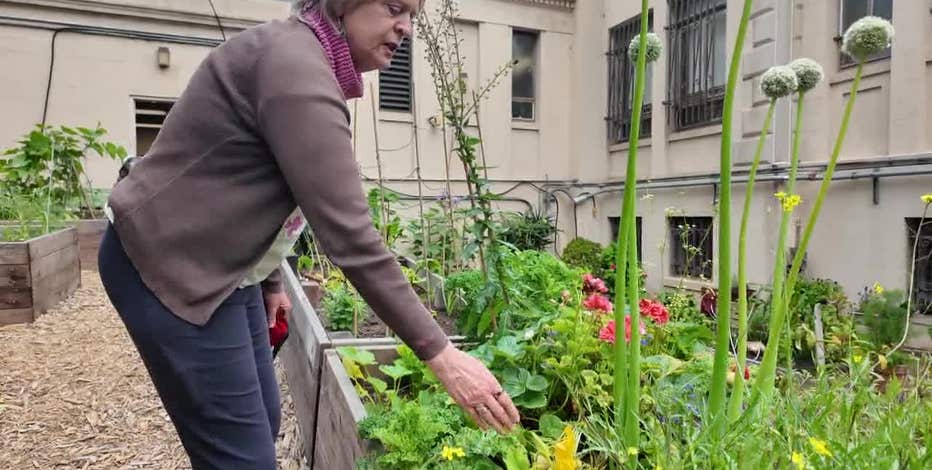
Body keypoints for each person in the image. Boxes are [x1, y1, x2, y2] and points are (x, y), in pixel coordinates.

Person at [97, 0, 519, 468]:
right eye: (394, 7)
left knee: (264, 416)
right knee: (241, 459)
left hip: (225, 268)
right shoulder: (296, 70)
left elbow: (256, 185)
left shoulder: (306, 59)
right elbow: (351, 238)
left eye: (412, 16)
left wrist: (271, 279)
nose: (405, 27)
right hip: (170, 267)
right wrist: (444, 357)